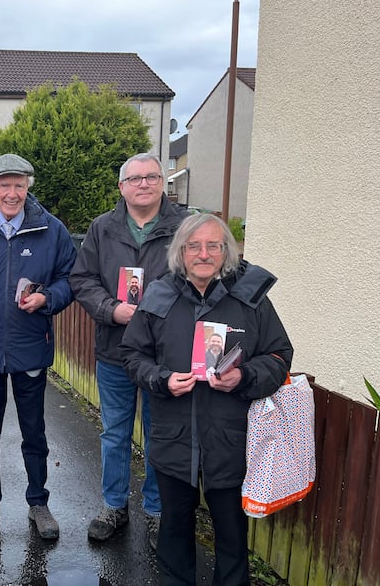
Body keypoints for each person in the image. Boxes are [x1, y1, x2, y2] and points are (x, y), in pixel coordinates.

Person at [120, 213, 293, 585]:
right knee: (173, 532)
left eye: (213, 245)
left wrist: (244, 377)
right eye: (194, 246)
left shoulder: (251, 300)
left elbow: (279, 356)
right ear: (180, 253)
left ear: (226, 251)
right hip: (172, 439)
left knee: (232, 536)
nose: (203, 254)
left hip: (230, 442)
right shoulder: (159, 295)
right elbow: (133, 355)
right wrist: (162, 379)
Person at [0, 153, 77, 540]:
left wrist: (48, 298)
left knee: (34, 433)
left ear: (28, 187)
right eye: (4, 184)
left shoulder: (51, 229)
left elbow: (71, 278)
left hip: (30, 347)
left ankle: (38, 502)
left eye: (19, 185)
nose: (12, 193)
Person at [69, 152, 187, 547]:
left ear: (163, 183)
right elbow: (82, 279)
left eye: (151, 177)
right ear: (122, 187)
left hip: (163, 355)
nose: (144, 184)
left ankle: (156, 510)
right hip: (115, 350)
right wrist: (110, 309)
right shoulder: (102, 228)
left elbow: (200, 279)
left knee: (159, 434)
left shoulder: (184, 226)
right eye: (135, 178)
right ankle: (114, 506)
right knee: (114, 433)